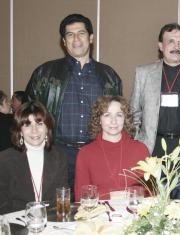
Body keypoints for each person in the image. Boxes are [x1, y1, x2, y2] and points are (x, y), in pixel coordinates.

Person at [25, 14, 122, 192]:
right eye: (70, 35)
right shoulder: (45, 73)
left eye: (81, 33)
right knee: (57, 207)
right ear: (63, 41)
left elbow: (119, 116)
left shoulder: (109, 76)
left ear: (91, 38)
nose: (76, 39)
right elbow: (28, 113)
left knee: (96, 207)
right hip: (57, 152)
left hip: (97, 152)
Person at [130, 23, 180, 158]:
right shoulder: (143, 73)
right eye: (171, 42)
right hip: (150, 146)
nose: (176, 47)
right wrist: (137, 139)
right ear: (161, 46)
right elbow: (134, 112)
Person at [74, 96, 149, 200]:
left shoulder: (141, 150)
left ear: (125, 118)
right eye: (107, 115)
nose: (113, 121)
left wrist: (104, 194)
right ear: (99, 119)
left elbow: (149, 193)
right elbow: (81, 197)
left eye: (119, 115)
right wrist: (118, 195)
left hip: (135, 213)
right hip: (98, 214)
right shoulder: (85, 154)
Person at [0, 101, 68, 214]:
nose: (34, 130)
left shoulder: (59, 157)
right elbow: (2, 205)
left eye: (39, 123)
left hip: (51, 223)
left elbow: (62, 198)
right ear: (20, 130)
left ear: (47, 128)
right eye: (27, 125)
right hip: (17, 224)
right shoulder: (4, 160)